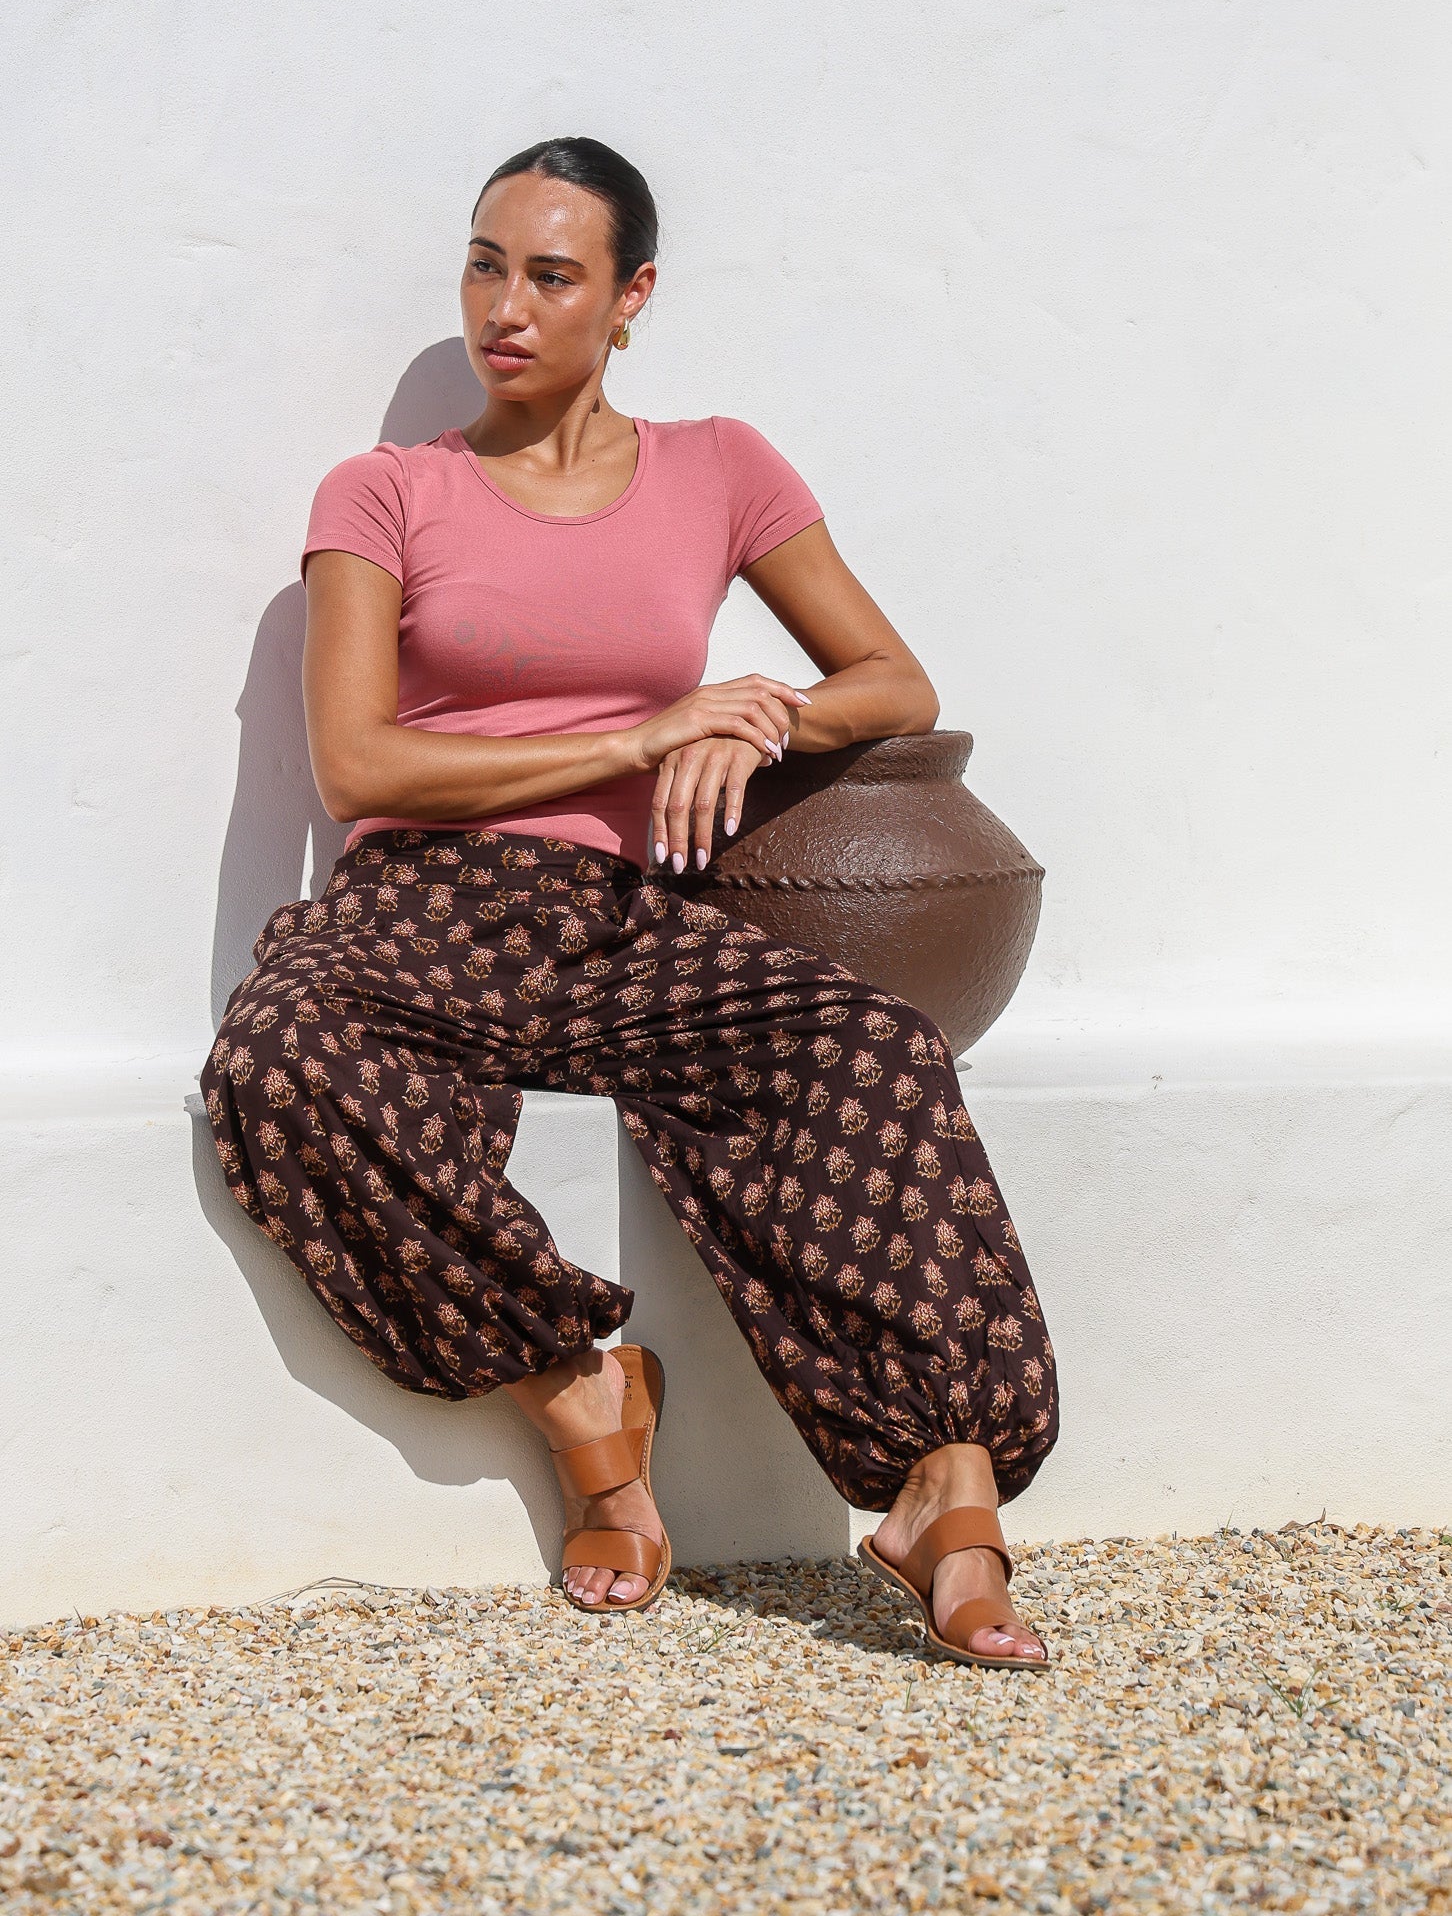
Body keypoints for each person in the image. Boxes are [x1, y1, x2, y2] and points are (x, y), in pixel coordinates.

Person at [200, 135, 1057, 1669]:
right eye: (482, 263)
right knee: (279, 1062)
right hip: (421, 906)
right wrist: (638, 733)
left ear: (632, 295)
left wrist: (757, 714)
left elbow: (893, 682)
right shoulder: (386, 490)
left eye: (551, 274)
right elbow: (351, 764)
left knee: (871, 1047)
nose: (504, 306)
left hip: (620, 915)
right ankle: (585, 1402)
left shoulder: (720, 467)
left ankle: (943, 1486)